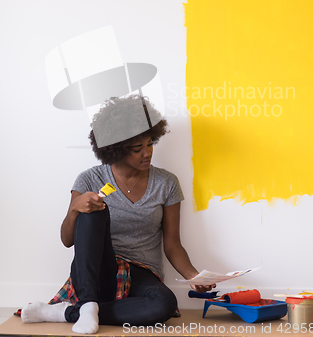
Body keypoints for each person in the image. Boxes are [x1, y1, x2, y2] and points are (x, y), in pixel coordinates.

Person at [21, 95, 215, 334]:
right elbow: (67, 240)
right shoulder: (89, 178)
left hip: (141, 274)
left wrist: (195, 276)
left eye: (150, 143)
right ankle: (88, 301)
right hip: (97, 271)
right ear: (117, 148)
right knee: (92, 212)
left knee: (164, 304)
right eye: (137, 148)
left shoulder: (166, 183)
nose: (147, 153)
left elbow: (173, 245)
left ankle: (69, 312)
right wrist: (75, 208)